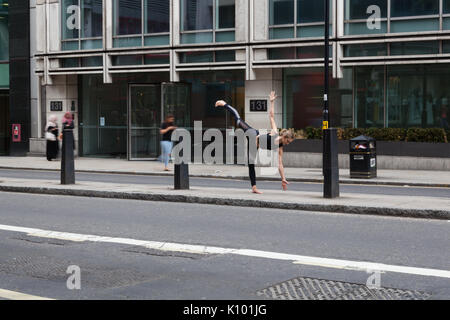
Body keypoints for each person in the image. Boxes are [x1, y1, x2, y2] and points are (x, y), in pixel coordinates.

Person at [215, 91, 295, 194]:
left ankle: (254, 187)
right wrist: (272, 102)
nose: (287, 143)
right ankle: (224, 104)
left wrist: (283, 178)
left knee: (251, 164)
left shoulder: (280, 147)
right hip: (253, 134)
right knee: (239, 121)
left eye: (289, 142)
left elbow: (280, 164)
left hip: (255, 145)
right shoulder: (275, 132)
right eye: (287, 141)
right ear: (284, 136)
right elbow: (271, 116)